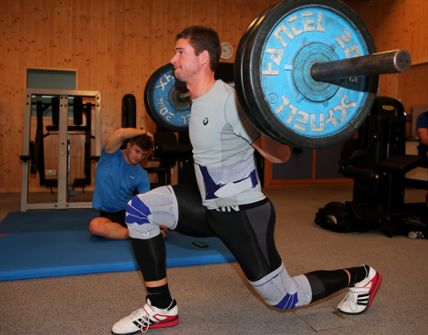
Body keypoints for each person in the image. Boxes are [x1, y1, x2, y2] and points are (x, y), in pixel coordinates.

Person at [111, 26, 381, 335]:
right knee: (139, 210)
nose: (172, 59)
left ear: (202, 58)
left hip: (242, 214)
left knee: (285, 297)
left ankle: (361, 276)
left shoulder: (232, 102)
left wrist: (268, 116)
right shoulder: (195, 100)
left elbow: (280, 157)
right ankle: (161, 307)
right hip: (206, 206)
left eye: (180, 52)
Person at [88, 128, 153, 240]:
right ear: (128, 145)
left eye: (143, 155)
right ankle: (137, 233)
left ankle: (136, 231)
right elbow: (120, 133)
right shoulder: (110, 155)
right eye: (137, 151)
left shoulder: (141, 174)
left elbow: (147, 201)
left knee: (162, 219)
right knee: (95, 226)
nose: (139, 157)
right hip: (108, 215)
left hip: (128, 213)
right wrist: (145, 132)